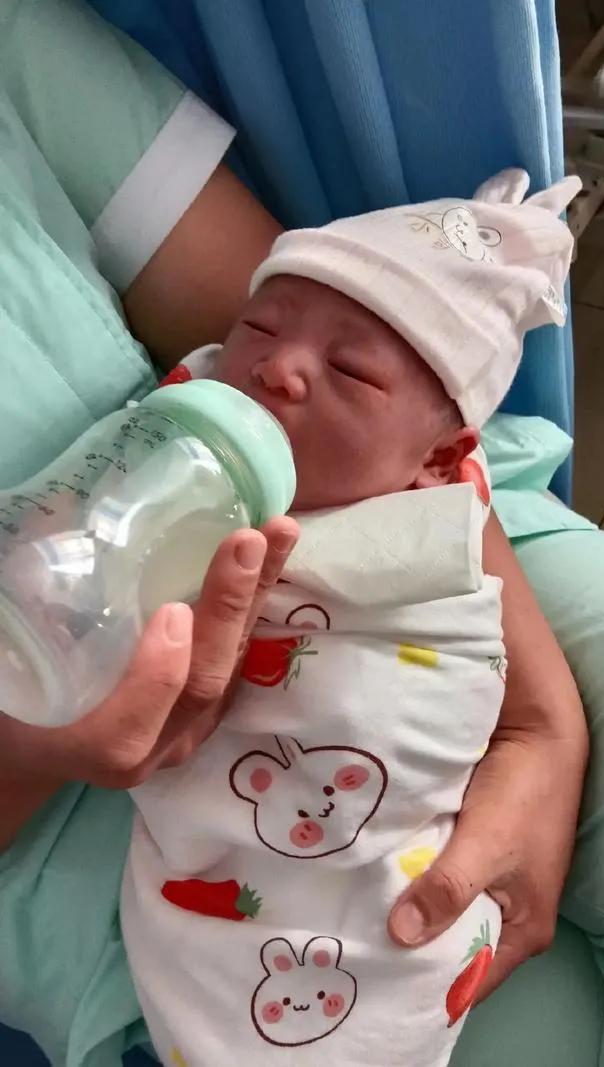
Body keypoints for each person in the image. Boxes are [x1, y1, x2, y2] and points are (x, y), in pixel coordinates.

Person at [2, 4, 604, 1067]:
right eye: (263, 343)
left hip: (425, 531)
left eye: (327, 363)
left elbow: (307, 314)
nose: (279, 363)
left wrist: (538, 714)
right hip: (98, 829)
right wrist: (30, 743)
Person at [120, 169, 577, 1067]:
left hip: (391, 885)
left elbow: (482, 685)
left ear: (437, 459)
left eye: (351, 369)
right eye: (260, 326)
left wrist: (550, 734)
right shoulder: (183, 434)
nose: (278, 366)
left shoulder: (437, 518)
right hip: (225, 880)